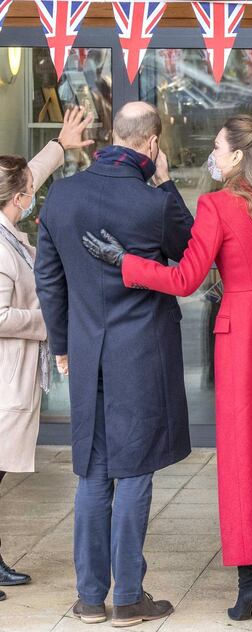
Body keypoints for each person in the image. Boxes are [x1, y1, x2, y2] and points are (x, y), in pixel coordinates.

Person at [82, 114, 252, 624]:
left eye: (218, 149)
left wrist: (125, 262)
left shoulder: (216, 206)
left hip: (239, 340)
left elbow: (184, 279)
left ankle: (249, 590)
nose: (212, 157)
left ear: (239, 155)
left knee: (243, 462)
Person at [35, 102, 194, 626]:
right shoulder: (152, 203)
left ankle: (88, 598)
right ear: (150, 145)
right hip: (142, 353)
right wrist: (167, 185)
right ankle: (127, 598)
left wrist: (61, 343)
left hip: (85, 350)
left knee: (93, 473)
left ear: (112, 137)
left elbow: (49, 280)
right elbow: (191, 251)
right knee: (135, 472)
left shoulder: (61, 195)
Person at [0, 108, 95, 601]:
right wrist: (48, 324)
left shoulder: (5, 215)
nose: (32, 194)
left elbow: (23, 177)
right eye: (26, 193)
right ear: (18, 199)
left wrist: (59, 144)